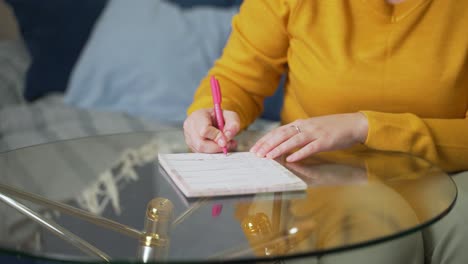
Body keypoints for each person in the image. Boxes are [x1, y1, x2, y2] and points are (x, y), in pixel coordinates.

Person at [183, 0, 468, 263]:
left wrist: (364, 126)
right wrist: (211, 111)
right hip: (315, 173)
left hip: (444, 170)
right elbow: (238, 79)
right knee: (375, 237)